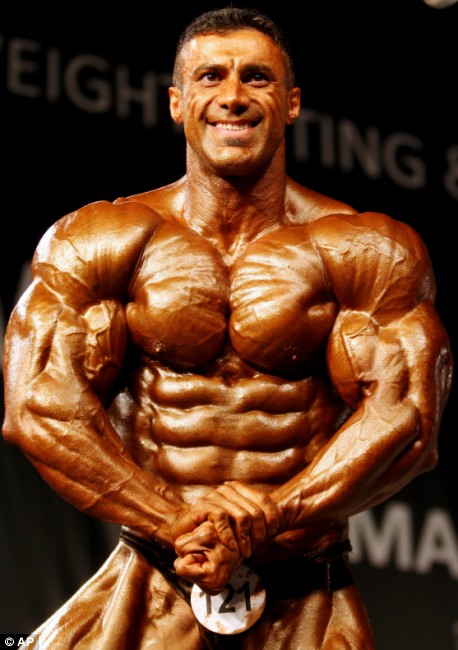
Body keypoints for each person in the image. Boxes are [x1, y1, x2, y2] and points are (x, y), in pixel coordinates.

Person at [2, 6, 453, 649]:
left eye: (257, 78)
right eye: (211, 77)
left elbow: (407, 420)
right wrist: (175, 520)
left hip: (306, 592)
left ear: (292, 103)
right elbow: (40, 407)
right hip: (153, 579)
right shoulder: (104, 239)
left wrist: (276, 513)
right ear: (177, 103)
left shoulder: (365, 248)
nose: (233, 96)